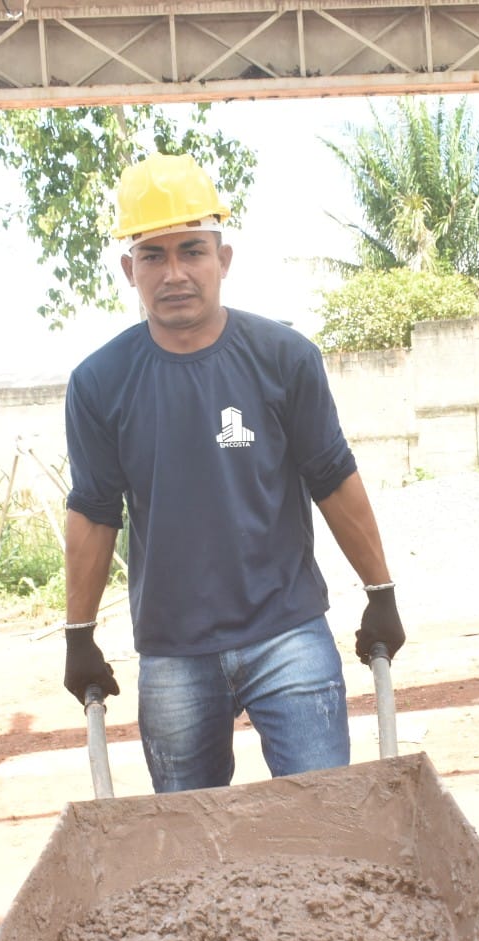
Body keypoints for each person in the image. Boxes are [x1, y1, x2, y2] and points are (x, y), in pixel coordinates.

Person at [59, 153, 405, 794]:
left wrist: (379, 593)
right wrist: (79, 636)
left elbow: (332, 477)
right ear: (128, 269)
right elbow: (95, 512)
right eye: (154, 255)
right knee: (193, 843)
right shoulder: (100, 384)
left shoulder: (284, 359)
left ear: (224, 257)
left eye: (192, 249)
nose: (175, 273)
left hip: (289, 636)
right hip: (172, 652)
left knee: (323, 819)